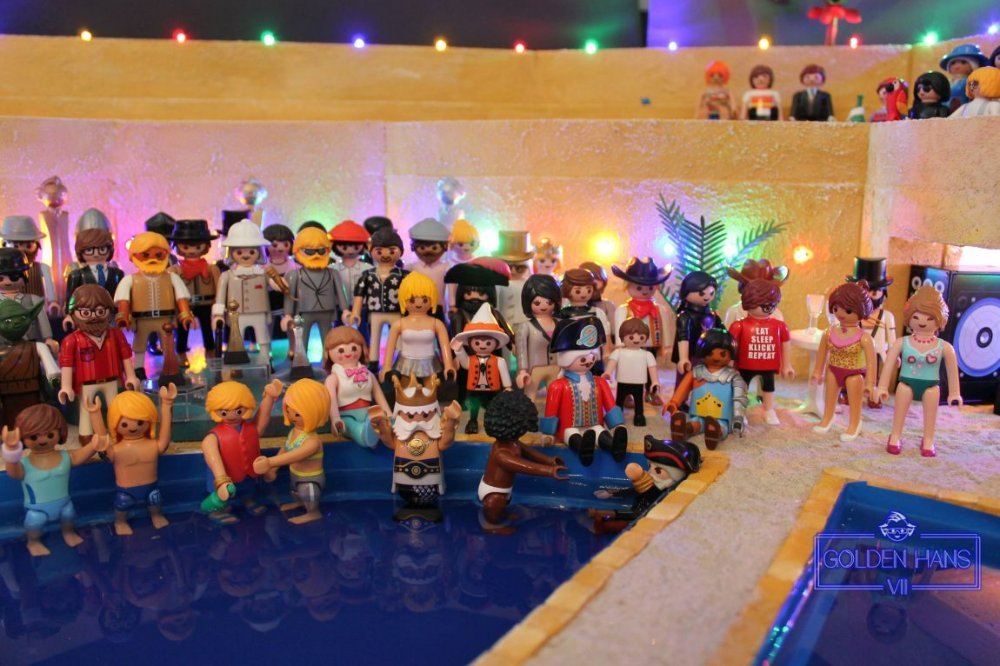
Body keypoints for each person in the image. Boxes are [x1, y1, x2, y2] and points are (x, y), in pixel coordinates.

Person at [2, 405, 104, 556]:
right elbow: (13, 472)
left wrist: (94, 445)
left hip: (64, 504)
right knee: (34, 522)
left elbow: (82, 454)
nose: (42, 440)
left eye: (50, 435)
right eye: (34, 437)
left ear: (60, 432)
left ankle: (68, 533)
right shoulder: (24, 464)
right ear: (23, 437)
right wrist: (11, 451)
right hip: (37, 509)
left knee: (69, 515)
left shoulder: (65, 457)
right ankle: (33, 542)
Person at [876, 286, 962, 458]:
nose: (922, 322)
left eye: (930, 318)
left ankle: (928, 439)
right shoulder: (902, 342)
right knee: (902, 395)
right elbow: (889, 364)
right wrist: (882, 387)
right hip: (906, 383)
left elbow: (952, 371)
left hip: (930, 386)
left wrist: (954, 393)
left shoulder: (944, 347)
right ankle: (895, 435)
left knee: (932, 399)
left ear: (940, 319)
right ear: (909, 318)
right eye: (916, 317)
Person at [86, 385, 177, 535]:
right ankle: (120, 522)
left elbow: (165, 436)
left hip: (151, 487)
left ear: (149, 420)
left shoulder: (153, 445)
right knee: (122, 505)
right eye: (124, 424)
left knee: (155, 502)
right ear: (114, 424)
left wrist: (167, 404)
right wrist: (95, 414)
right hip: (126, 490)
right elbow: (102, 442)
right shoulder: (117, 450)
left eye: (140, 422)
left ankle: (156, 515)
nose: (133, 427)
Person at [368, 374, 462, 518]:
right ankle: (409, 508)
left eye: (425, 415)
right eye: (411, 416)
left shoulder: (434, 434)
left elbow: (445, 443)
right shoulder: (400, 435)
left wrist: (450, 423)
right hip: (404, 481)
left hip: (431, 480)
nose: (418, 421)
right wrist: (381, 424)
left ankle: (428, 509)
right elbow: (389, 442)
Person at [57, 284, 139, 443]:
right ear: (73, 313)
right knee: (86, 409)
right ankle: (86, 435)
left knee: (115, 408)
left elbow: (125, 355)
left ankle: (116, 432)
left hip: (112, 380)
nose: (94, 317)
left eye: (100, 311)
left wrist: (130, 376)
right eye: (86, 312)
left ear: (109, 310)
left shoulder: (116, 335)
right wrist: (66, 386)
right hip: (86, 383)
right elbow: (66, 364)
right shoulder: (71, 340)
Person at [540, 316, 627, 465]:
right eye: (582, 359)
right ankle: (583, 450)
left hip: (595, 424)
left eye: (592, 357)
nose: (588, 361)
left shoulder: (599, 382)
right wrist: (548, 433)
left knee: (600, 431)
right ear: (567, 360)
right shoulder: (558, 385)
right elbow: (551, 412)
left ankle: (614, 447)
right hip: (569, 427)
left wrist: (618, 424)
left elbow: (610, 405)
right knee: (572, 434)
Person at [478, 390, 566, 534]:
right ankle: (491, 526)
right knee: (496, 503)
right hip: (493, 492)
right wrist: (549, 471)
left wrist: (549, 460)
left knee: (501, 503)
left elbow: (529, 452)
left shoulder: (513, 443)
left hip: (504, 490)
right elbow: (523, 466)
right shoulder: (501, 454)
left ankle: (501, 514)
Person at [199, 379, 284, 523]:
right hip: (226, 477)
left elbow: (262, 421)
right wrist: (221, 480)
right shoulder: (212, 437)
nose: (232, 415)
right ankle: (217, 512)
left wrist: (269, 398)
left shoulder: (251, 429)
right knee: (222, 497)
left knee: (248, 490)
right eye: (224, 412)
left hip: (248, 474)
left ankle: (248, 500)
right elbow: (214, 461)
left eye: (238, 410)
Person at [114, 231, 194, 380]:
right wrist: (123, 316)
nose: (152, 259)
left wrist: (185, 314)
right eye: (145, 255)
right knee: (139, 345)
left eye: (158, 255)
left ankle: (170, 368)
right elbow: (123, 300)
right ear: (134, 255)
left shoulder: (172, 278)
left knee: (168, 345)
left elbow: (181, 297)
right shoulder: (130, 280)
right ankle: (138, 369)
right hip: (141, 320)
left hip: (166, 320)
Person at [253, 378, 331, 524]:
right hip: (296, 476)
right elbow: (286, 448)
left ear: (314, 413)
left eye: (297, 413)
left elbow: (294, 456)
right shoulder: (295, 431)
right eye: (288, 409)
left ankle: (313, 512)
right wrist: (273, 469)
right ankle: (300, 502)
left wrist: (270, 462)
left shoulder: (312, 442)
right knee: (295, 491)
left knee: (308, 493)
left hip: (310, 479)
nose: (290, 415)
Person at [812, 281, 877, 441]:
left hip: (854, 373)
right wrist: (817, 371)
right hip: (833, 370)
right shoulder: (829, 333)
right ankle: (827, 417)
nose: (840, 313)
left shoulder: (864, 338)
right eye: (836, 308)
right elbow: (822, 353)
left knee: (855, 401)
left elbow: (872, 362)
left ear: (861, 311)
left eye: (848, 310)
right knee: (830, 396)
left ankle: (854, 423)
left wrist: (870, 383)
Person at [665, 329, 748, 450]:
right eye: (710, 353)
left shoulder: (733, 376)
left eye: (722, 354)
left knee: (721, 425)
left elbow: (739, 398)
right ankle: (685, 429)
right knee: (696, 422)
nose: (716, 357)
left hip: (722, 415)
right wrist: (674, 402)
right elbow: (684, 387)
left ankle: (716, 433)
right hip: (699, 411)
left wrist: (738, 417)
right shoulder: (696, 372)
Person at [728, 278, 793, 426]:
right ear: (748, 303)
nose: (769, 308)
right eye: (764, 305)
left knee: (769, 387)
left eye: (772, 305)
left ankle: (769, 410)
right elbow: (731, 346)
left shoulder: (779, 326)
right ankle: (739, 411)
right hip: (745, 365)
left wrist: (787, 365)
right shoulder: (739, 326)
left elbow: (786, 343)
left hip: (768, 365)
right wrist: (729, 365)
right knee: (742, 387)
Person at [281, 226, 347, 361]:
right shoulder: (295, 275)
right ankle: (301, 363)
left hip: (326, 311)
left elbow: (341, 293)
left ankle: (328, 362)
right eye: (309, 251)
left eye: (321, 250)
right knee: (302, 340)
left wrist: (345, 310)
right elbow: (290, 296)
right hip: (304, 312)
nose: (316, 255)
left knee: (328, 340)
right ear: (298, 251)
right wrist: (287, 314)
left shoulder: (333, 273)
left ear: (327, 250)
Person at [347, 227, 408, 372]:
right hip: (375, 313)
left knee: (399, 339)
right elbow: (359, 294)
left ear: (401, 251)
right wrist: (355, 312)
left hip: (396, 313)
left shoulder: (404, 275)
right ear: (371, 252)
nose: (385, 255)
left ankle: (401, 361)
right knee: (374, 339)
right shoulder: (368, 274)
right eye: (379, 251)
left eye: (391, 251)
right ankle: (373, 363)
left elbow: (411, 294)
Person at [379, 272, 455, 383]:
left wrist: (448, 365)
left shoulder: (436, 323)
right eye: (412, 300)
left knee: (432, 391)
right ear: (403, 299)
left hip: (430, 364)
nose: (418, 304)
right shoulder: (399, 324)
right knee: (405, 391)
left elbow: (445, 347)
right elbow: (390, 348)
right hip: (405, 364)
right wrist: (386, 367)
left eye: (425, 300)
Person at [323, 326, 390, 450]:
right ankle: (365, 434)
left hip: (368, 414)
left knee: (378, 420)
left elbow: (379, 395)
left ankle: (377, 431)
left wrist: (389, 415)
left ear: (362, 348)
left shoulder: (368, 374)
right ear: (328, 353)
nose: (349, 353)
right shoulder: (333, 378)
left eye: (354, 348)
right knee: (354, 428)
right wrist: (335, 419)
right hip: (347, 418)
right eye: (341, 350)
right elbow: (331, 400)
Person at [450, 303, 512, 434]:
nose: (482, 346)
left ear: (496, 343)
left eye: (488, 342)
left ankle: (492, 421)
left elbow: (504, 374)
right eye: (477, 342)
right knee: (474, 405)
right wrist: (459, 350)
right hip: (474, 388)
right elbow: (465, 364)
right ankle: (473, 421)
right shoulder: (471, 360)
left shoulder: (499, 361)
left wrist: (507, 387)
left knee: (492, 406)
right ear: (470, 343)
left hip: (493, 389)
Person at [168, 220, 221, 364]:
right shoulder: (175, 270)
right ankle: (181, 354)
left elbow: (219, 287)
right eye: (186, 246)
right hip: (185, 305)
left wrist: (219, 304)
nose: (191, 250)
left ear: (206, 246)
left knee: (207, 329)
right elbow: (170, 290)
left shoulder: (211, 269)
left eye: (197, 246)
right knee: (182, 330)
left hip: (206, 303)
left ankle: (210, 352)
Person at [604, 318, 660, 427]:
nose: (636, 340)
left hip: (639, 383)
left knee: (639, 402)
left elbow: (652, 368)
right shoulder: (618, 352)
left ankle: (639, 416)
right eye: (631, 337)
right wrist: (608, 372)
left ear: (646, 338)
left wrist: (655, 381)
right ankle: (617, 416)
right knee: (619, 401)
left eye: (641, 337)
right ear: (622, 337)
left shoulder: (647, 354)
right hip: (622, 382)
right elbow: (612, 363)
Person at [515, 274, 562, 400]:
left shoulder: (560, 324)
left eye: (549, 302)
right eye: (537, 302)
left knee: (555, 397)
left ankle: (553, 413)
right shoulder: (525, 327)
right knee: (530, 396)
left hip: (556, 367)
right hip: (534, 369)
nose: (544, 306)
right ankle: (528, 413)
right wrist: (522, 371)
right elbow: (521, 351)